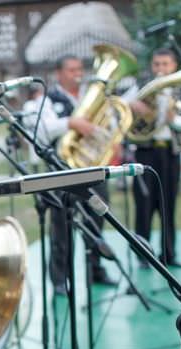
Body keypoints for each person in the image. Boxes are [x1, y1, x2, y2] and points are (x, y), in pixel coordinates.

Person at [35, 54, 118, 292]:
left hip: (92, 170)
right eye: (71, 70)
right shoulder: (48, 100)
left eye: (79, 69)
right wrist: (70, 123)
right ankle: (60, 278)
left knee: (97, 221)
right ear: (59, 73)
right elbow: (40, 132)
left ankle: (96, 269)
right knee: (61, 226)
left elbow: (107, 130)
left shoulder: (92, 97)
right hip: (63, 172)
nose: (77, 74)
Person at [125, 48, 181, 267]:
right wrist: (133, 106)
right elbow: (120, 106)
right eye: (157, 64)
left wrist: (174, 120)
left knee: (168, 204)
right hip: (145, 151)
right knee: (143, 204)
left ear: (174, 67)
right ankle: (143, 254)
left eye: (165, 64)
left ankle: (169, 254)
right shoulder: (141, 85)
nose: (161, 69)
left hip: (170, 153)